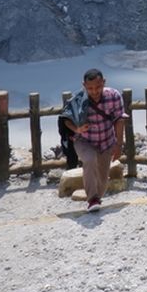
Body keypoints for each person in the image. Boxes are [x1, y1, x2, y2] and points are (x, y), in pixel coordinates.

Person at [59, 68, 127, 212]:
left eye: (98, 87)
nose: (94, 91)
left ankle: (96, 198)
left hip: (106, 140)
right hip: (84, 140)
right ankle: (92, 199)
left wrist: (118, 144)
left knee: (102, 177)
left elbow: (119, 120)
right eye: (90, 88)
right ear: (84, 86)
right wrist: (77, 129)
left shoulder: (114, 96)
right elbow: (65, 119)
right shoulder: (78, 100)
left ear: (104, 82)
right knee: (89, 160)